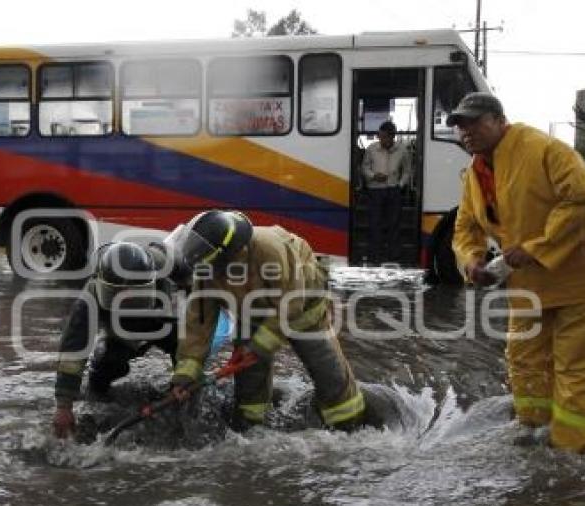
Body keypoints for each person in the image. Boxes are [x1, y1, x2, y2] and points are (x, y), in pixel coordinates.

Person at [449, 92, 585, 454]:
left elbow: (583, 203)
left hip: (584, 285)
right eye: (461, 126)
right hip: (530, 289)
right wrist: (472, 261)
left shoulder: (545, 150)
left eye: (475, 122)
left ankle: (572, 459)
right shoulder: (475, 173)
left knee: (579, 373)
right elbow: (466, 229)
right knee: (526, 364)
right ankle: (533, 438)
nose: (467, 132)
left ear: (500, 120)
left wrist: (534, 248)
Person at [166, 210, 366, 431]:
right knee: (249, 385)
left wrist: (259, 346)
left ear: (231, 255)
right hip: (252, 312)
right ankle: (249, 428)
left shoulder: (269, 249)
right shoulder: (207, 267)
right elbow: (198, 324)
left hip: (303, 308)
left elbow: (290, 304)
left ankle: (350, 427)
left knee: (328, 373)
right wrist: (186, 373)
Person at [52, 241, 178, 438]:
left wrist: (186, 377)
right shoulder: (90, 297)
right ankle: (99, 399)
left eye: (133, 295)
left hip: (162, 322)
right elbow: (73, 350)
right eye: (118, 295)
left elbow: (197, 321)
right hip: (119, 331)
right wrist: (64, 406)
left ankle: (183, 397)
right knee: (105, 366)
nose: (126, 301)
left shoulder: (168, 268)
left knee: (186, 355)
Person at [360, 120, 412, 263]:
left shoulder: (402, 150)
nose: (381, 139)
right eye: (380, 136)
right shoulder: (371, 149)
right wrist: (373, 176)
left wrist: (400, 185)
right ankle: (375, 256)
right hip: (375, 190)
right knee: (374, 223)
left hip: (393, 190)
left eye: (384, 137)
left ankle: (393, 256)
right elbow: (364, 168)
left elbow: (407, 171)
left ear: (392, 137)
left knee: (394, 224)